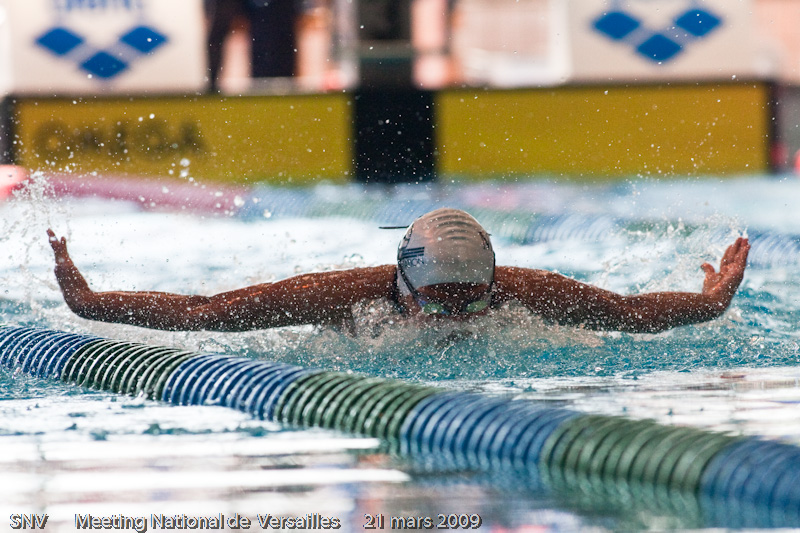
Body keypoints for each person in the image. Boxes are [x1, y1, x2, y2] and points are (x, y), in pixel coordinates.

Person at [46, 208, 750, 334]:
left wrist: (709, 302)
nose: (456, 320)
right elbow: (207, 311)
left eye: (471, 303)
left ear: (493, 284)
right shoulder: (340, 296)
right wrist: (92, 300)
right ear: (403, 283)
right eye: (439, 304)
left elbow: (627, 313)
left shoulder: (523, 291)